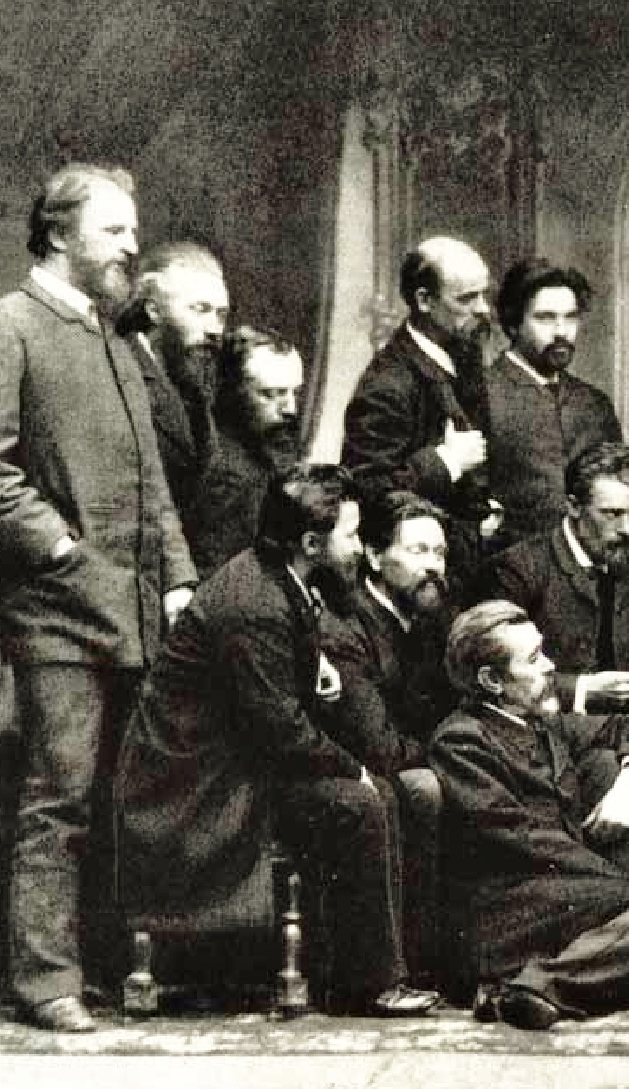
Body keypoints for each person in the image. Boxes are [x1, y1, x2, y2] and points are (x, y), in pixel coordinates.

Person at [115, 463, 438, 1018]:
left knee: (375, 796)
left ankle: (369, 974)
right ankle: (367, 984)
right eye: (350, 535)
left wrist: (314, 670)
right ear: (311, 542)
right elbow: (280, 728)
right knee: (361, 801)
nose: (357, 548)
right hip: (191, 787)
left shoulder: (280, 579)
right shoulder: (256, 602)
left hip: (229, 764)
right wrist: (351, 766)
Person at [0, 164, 197, 1031]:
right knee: (59, 798)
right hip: (56, 611)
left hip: (134, 607)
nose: (130, 246)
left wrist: (179, 575)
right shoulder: (11, 325)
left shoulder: (114, 337)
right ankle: (45, 981)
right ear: (57, 234)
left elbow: (153, 480)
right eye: (114, 230)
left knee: (122, 800)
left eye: (131, 229)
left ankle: (112, 969)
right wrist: (61, 548)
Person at [429, 601, 629, 1029]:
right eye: (534, 658)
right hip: (510, 915)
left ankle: (525, 989)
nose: (550, 666)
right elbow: (522, 838)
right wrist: (625, 887)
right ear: (492, 680)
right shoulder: (461, 741)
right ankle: (545, 981)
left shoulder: (541, 722)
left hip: (568, 902)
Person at [484, 258, 629, 604]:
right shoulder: (481, 396)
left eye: (570, 317)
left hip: (592, 587)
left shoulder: (592, 403)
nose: (562, 332)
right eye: (545, 318)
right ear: (513, 324)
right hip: (512, 585)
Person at [321, 490, 456, 979]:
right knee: (425, 788)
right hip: (360, 776)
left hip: (418, 757)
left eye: (439, 553)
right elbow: (378, 746)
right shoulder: (346, 630)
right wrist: (453, 754)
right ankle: (417, 963)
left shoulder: (431, 619)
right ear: (376, 557)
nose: (433, 566)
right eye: (418, 551)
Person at [473, 442, 629, 715]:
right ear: (573, 506)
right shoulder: (516, 571)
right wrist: (584, 689)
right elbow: (498, 679)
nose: (626, 529)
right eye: (612, 514)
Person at [342, 236, 499, 583]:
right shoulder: (387, 385)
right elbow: (368, 490)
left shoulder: (463, 356)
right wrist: (446, 463)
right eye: (466, 299)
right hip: (414, 580)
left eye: (483, 295)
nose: (483, 309)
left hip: (463, 565)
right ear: (424, 300)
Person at [117, 242, 228, 530]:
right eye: (200, 310)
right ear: (154, 310)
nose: (215, 329)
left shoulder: (193, 383)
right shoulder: (115, 371)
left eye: (220, 315)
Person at [186, 324, 304, 579]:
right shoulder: (228, 475)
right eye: (271, 394)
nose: (290, 408)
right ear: (234, 392)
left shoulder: (268, 450)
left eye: (295, 392)